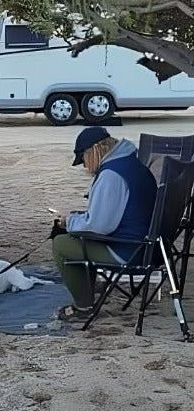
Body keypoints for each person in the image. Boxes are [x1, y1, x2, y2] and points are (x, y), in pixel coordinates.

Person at [52, 126, 157, 320]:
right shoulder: (131, 164)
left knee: (62, 244)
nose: (84, 165)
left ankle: (84, 307)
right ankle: (89, 288)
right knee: (77, 234)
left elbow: (100, 227)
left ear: (95, 150)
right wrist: (77, 219)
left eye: (83, 158)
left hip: (129, 251)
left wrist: (69, 222)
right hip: (152, 248)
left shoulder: (111, 175)